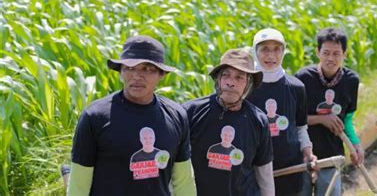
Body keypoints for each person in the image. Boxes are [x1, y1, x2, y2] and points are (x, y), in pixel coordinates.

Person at [67, 35, 196, 196]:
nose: (137, 76)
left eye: (147, 69)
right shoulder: (95, 117)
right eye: (129, 68)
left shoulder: (176, 115)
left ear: (161, 74)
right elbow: (78, 184)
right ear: (120, 71)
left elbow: (184, 182)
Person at [184, 48, 275, 196]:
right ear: (218, 79)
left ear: (249, 83)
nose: (231, 83)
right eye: (226, 75)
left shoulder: (258, 120)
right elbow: (176, 164)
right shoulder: (191, 112)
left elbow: (263, 171)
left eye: (239, 77)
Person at [246, 28, 317, 196]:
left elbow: (301, 128)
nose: (271, 55)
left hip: (290, 169)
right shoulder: (246, 87)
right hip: (253, 171)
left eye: (276, 49)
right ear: (255, 51)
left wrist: (308, 152)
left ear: (283, 52)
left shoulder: (296, 87)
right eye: (265, 49)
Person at [296, 27, 364, 196]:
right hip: (301, 155)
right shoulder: (302, 78)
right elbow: (292, 119)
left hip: (331, 154)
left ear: (345, 54)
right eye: (326, 53)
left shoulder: (351, 81)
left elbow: (347, 120)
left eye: (336, 53)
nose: (330, 58)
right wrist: (321, 119)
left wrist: (355, 145)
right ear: (318, 52)